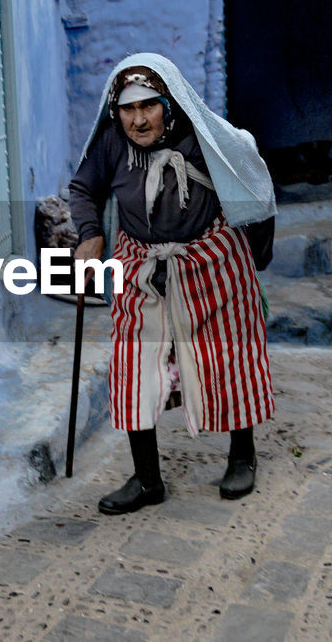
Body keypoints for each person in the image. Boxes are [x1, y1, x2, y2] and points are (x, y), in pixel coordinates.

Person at [68, 53, 276, 516]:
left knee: (229, 358)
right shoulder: (109, 144)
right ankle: (146, 479)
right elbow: (83, 189)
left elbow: (255, 191)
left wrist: (259, 255)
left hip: (212, 261)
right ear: (114, 110)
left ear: (169, 103)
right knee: (132, 365)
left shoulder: (208, 139)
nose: (138, 119)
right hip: (141, 267)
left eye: (149, 106)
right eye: (128, 109)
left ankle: (243, 455)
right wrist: (91, 234)